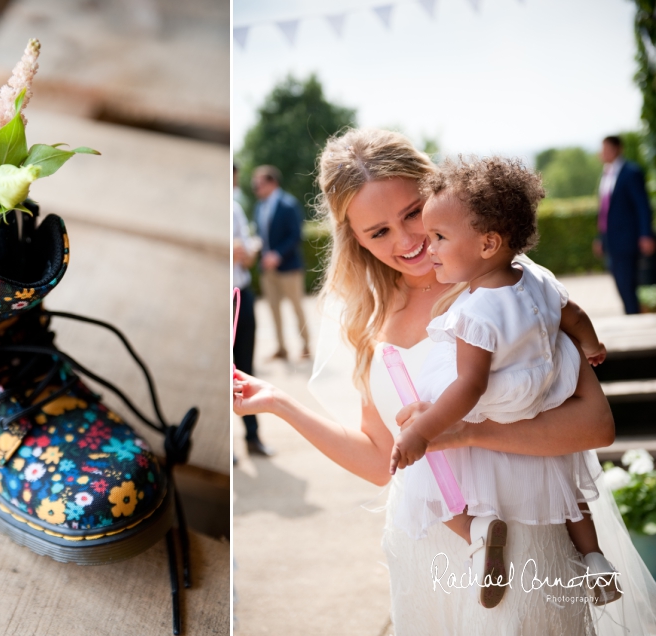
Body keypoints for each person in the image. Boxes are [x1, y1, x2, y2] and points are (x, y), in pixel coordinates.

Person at [234, 128, 656, 634]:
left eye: (413, 213)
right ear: (355, 239)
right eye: (379, 232)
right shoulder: (367, 319)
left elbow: (596, 426)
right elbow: (379, 460)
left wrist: (469, 432)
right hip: (426, 549)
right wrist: (280, 402)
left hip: (526, 540)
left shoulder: (502, 282)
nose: (408, 241)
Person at [389, 156, 616, 609]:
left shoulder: (475, 314)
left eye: (439, 237)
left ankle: (478, 533)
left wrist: (423, 429)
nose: (428, 247)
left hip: (501, 403)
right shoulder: (536, 276)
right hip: (549, 393)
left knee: (425, 483)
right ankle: (594, 559)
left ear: (488, 243)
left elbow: (470, 387)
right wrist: (590, 343)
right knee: (567, 489)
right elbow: (573, 315)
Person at [233, 164, 274, 457]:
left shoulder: (235, 208)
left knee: (245, 369)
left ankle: (251, 437)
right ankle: (242, 441)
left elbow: (245, 257)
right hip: (233, 294)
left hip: (240, 294)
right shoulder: (232, 208)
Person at [251, 165, 310, 360]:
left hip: (289, 267)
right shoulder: (259, 207)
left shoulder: (288, 204)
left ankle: (306, 345)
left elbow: (296, 235)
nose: (256, 188)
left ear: (272, 183)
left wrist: (278, 254)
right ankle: (281, 347)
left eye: (259, 183)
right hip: (267, 270)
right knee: (273, 310)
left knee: (296, 308)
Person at [593, 135, 656, 314]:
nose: (602, 153)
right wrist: (601, 237)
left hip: (628, 238)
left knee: (627, 282)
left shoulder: (631, 172)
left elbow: (643, 206)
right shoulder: (606, 174)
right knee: (621, 282)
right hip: (611, 239)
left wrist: (646, 234)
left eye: (606, 149)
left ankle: (634, 316)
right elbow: (605, 211)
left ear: (617, 149)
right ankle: (632, 313)